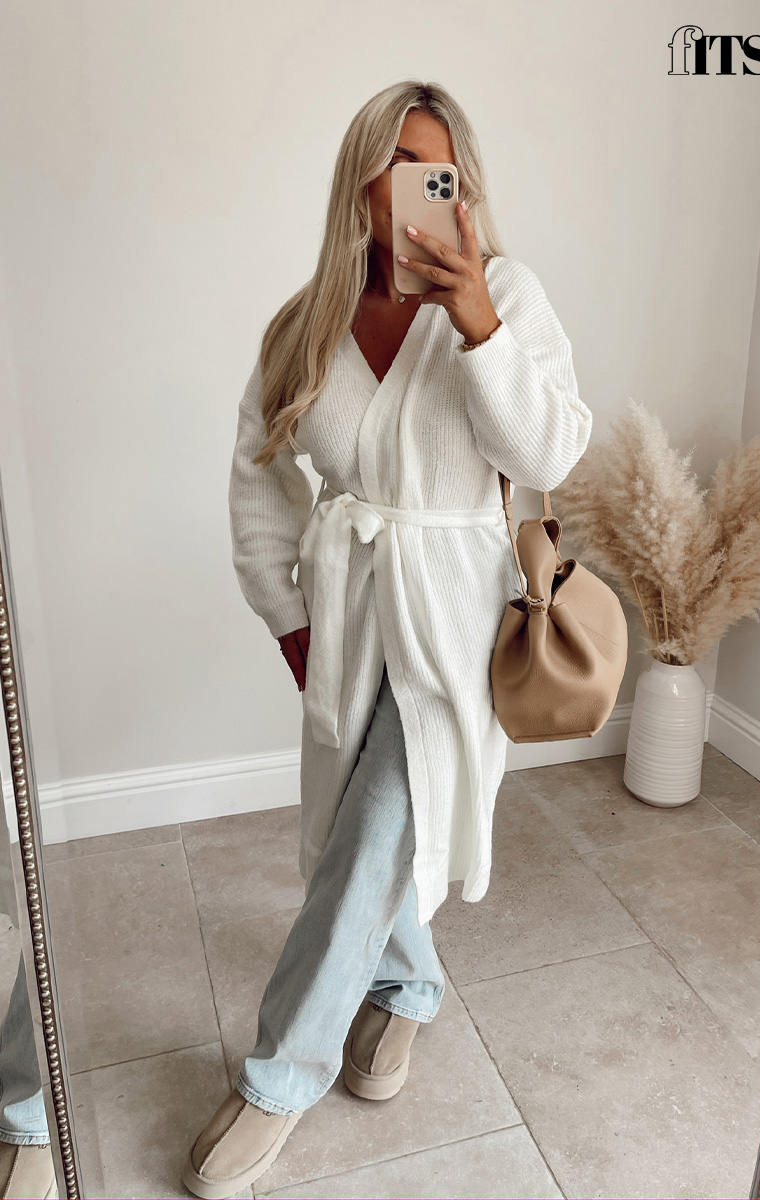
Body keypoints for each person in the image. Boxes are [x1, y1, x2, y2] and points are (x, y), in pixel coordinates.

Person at [183, 78, 592, 1199]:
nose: (418, 184)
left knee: (372, 836)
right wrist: (287, 616)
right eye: (397, 162)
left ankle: (276, 1078)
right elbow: (258, 476)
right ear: (359, 179)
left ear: (464, 183)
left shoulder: (506, 293)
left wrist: (479, 326)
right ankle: (408, 988)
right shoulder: (303, 322)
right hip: (349, 610)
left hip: (456, 618)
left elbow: (548, 453)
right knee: (355, 826)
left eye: (437, 165)